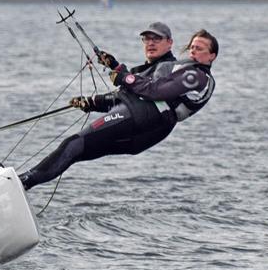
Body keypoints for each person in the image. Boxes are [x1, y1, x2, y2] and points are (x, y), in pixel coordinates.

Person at [19, 26, 218, 189]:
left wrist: (122, 75)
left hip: (145, 120)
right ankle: (26, 183)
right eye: (192, 47)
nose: (193, 52)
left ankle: (23, 182)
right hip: (148, 131)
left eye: (199, 49)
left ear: (212, 56)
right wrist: (95, 101)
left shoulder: (195, 75)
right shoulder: (179, 69)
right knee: (76, 151)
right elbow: (134, 96)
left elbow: (153, 92)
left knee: (73, 145)